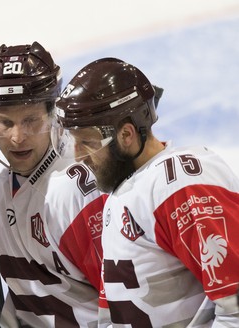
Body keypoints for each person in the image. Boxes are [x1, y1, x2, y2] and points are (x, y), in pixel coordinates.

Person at [52, 57, 239, 326]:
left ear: (126, 135)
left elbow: (235, 304)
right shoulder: (124, 191)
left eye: (87, 143)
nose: (79, 156)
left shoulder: (179, 183)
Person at [0, 42, 107, 327]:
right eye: (4, 123)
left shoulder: (80, 187)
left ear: (53, 115)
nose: (17, 137)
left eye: (31, 120)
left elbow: (121, 299)